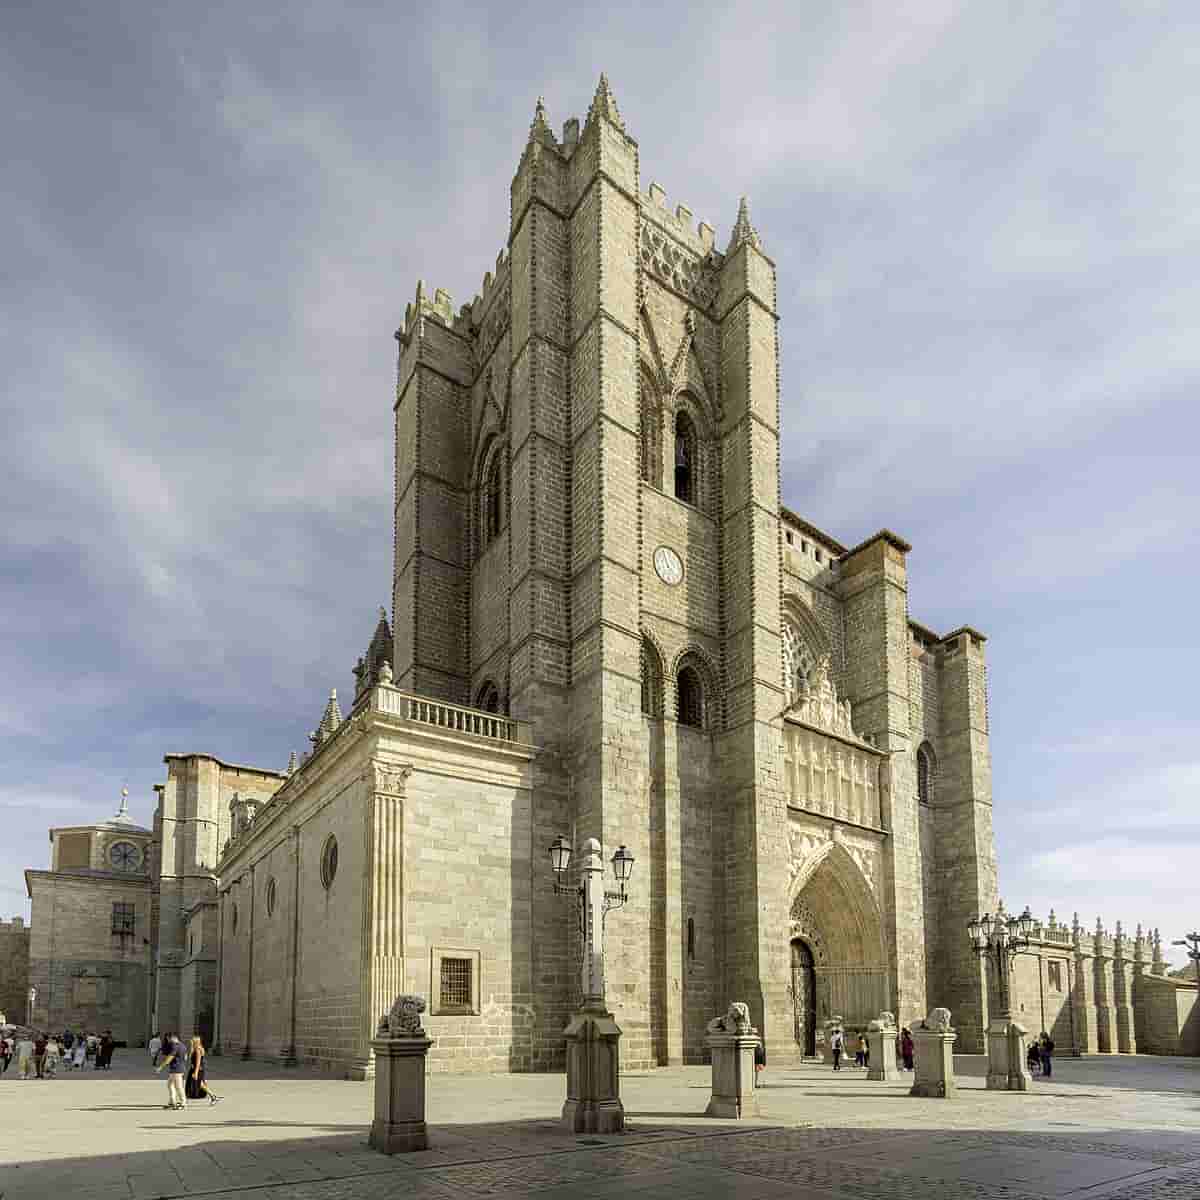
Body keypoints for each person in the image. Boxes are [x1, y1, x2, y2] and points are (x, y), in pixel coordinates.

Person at [185, 1036, 221, 1106]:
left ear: (195, 1042)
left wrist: (195, 1072)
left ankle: (213, 1097)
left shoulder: (198, 1050)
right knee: (200, 1084)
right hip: (196, 1069)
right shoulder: (196, 1049)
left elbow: (198, 1063)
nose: (190, 1042)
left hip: (197, 1070)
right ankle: (213, 1097)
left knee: (200, 1084)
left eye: (192, 1041)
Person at [156, 1033, 188, 1110]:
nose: (168, 1041)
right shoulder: (182, 1045)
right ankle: (172, 1102)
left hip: (176, 1069)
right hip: (178, 1068)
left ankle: (183, 1103)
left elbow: (169, 1058)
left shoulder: (175, 1046)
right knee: (170, 1084)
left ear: (172, 1038)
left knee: (178, 1086)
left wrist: (161, 1067)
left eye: (168, 1039)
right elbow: (186, 1057)